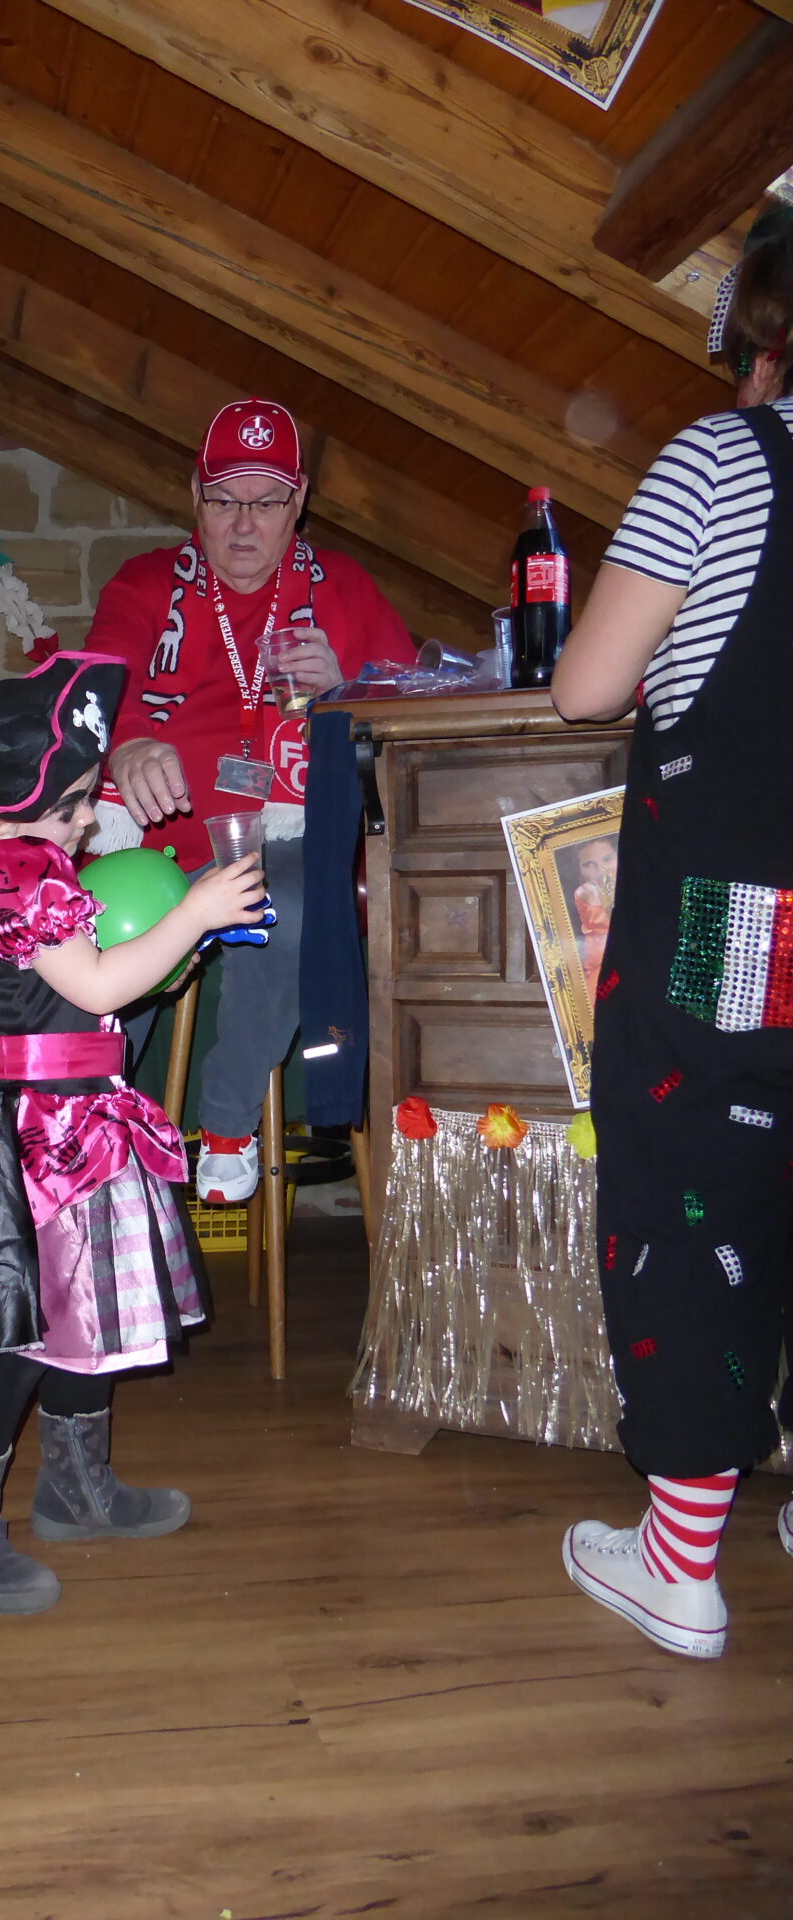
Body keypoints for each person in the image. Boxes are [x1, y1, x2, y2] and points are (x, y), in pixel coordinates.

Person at [0, 652, 267, 1614]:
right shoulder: (14, 871)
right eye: (74, 805)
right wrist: (195, 913)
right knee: (19, 1336)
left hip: (79, 1120)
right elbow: (95, 985)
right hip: (41, 1138)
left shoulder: (31, 862)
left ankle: (75, 1489)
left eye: (89, 799)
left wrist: (168, 953)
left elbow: (86, 991)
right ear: (5, 810)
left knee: (88, 1316)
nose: (91, 819)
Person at [551, 207, 793, 1659]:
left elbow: (586, 685)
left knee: (701, 1178)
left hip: (741, 917)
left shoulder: (722, 460)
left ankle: (681, 1563)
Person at [88, 398, 415, 1202]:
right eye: (224, 500)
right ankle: (87, 1127)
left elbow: (413, 710)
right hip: (156, 844)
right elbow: (95, 689)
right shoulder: (146, 582)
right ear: (194, 496)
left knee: (289, 907)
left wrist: (348, 685)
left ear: (297, 501)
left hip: (284, 839)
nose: (243, 524)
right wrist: (128, 743)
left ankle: (228, 1125)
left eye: (266, 503)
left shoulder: (344, 587)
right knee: (98, 924)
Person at [571, 836, 618, 1003]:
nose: (600, 869)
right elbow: (606, 929)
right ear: (579, 870)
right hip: (603, 965)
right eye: (589, 864)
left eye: (607, 859)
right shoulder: (585, 892)